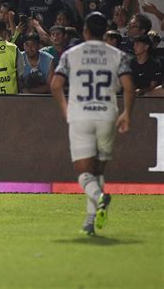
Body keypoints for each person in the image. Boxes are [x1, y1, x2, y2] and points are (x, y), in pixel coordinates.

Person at [51, 12, 135, 236]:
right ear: (105, 32)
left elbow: (55, 84)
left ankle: (99, 198)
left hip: (80, 115)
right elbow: (128, 86)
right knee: (98, 169)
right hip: (107, 115)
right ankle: (90, 220)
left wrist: (65, 109)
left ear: (85, 31)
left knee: (83, 172)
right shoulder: (118, 55)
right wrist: (127, 113)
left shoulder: (71, 54)